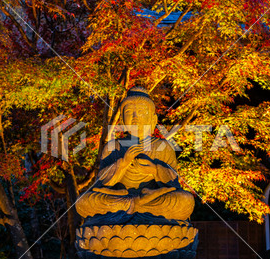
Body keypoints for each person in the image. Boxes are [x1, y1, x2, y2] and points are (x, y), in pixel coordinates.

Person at [76, 87, 194, 221]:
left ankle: (133, 207)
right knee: (84, 201)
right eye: (129, 112)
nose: (135, 117)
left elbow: (173, 185)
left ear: (153, 119)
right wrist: (123, 163)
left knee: (185, 200)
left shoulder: (162, 146)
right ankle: (137, 206)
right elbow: (101, 183)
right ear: (122, 120)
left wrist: (155, 170)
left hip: (151, 197)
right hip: (120, 197)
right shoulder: (113, 146)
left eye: (141, 112)